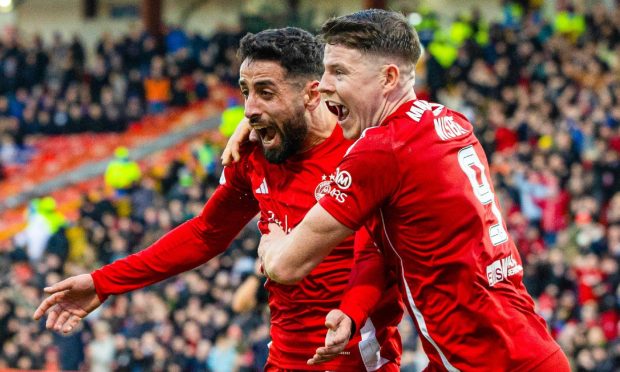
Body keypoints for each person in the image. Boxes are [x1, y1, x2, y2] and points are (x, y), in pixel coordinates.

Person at [33, 27, 404, 372]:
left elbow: (378, 258)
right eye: (246, 92)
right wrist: (103, 282)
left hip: (356, 358)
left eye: (266, 92)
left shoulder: (363, 152)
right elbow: (205, 234)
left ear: (311, 93)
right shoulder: (255, 154)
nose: (249, 109)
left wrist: (353, 313)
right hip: (284, 357)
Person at [257, 10, 571, 371]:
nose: (323, 84)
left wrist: (271, 240)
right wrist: (353, 310)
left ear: (388, 77)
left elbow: (286, 266)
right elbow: (382, 245)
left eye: (339, 72)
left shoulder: (381, 150)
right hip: (517, 346)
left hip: (489, 361)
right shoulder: (449, 122)